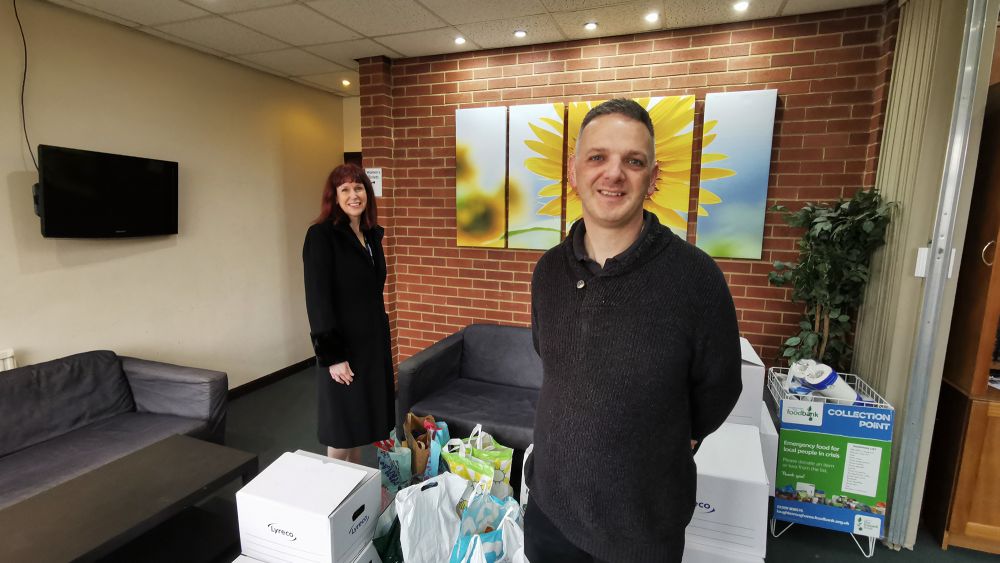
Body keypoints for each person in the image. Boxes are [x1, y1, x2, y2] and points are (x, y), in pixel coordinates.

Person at [525, 99, 743, 562]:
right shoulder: (548, 272)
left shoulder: (695, 278)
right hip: (549, 511)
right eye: (598, 157)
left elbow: (720, 388)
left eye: (634, 161)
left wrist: (673, 432)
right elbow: (552, 359)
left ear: (653, 176)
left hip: (643, 529)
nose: (614, 174)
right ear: (574, 170)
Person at [303, 163, 394, 463]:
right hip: (341, 348)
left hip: (369, 345)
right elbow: (318, 301)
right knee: (341, 429)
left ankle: (355, 494)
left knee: (358, 425)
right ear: (334, 197)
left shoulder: (371, 236)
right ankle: (334, 496)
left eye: (359, 188)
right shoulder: (321, 236)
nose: (354, 195)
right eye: (345, 189)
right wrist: (333, 357)